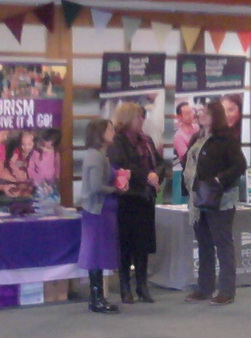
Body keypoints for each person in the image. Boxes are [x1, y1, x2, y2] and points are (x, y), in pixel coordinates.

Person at [183, 101, 247, 305]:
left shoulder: (226, 138)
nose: (200, 115)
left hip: (220, 198)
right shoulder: (197, 136)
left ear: (215, 116)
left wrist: (219, 180)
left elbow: (239, 165)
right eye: (200, 112)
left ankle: (227, 290)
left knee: (223, 243)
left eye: (205, 113)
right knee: (203, 244)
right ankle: (204, 287)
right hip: (198, 197)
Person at [108, 102, 167, 304]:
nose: (141, 120)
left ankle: (142, 285)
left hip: (146, 198)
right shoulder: (118, 140)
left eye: (143, 116)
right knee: (127, 245)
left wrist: (155, 175)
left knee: (143, 245)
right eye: (138, 117)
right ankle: (125, 286)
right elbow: (124, 165)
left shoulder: (147, 140)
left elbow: (161, 162)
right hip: (127, 199)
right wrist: (147, 175)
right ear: (127, 118)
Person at [78, 119, 125, 314]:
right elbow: (96, 187)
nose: (113, 132)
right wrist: (117, 189)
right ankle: (96, 298)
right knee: (96, 254)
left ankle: (97, 297)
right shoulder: (96, 156)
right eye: (110, 129)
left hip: (99, 210)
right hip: (97, 211)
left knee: (96, 253)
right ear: (100, 133)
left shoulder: (97, 154)